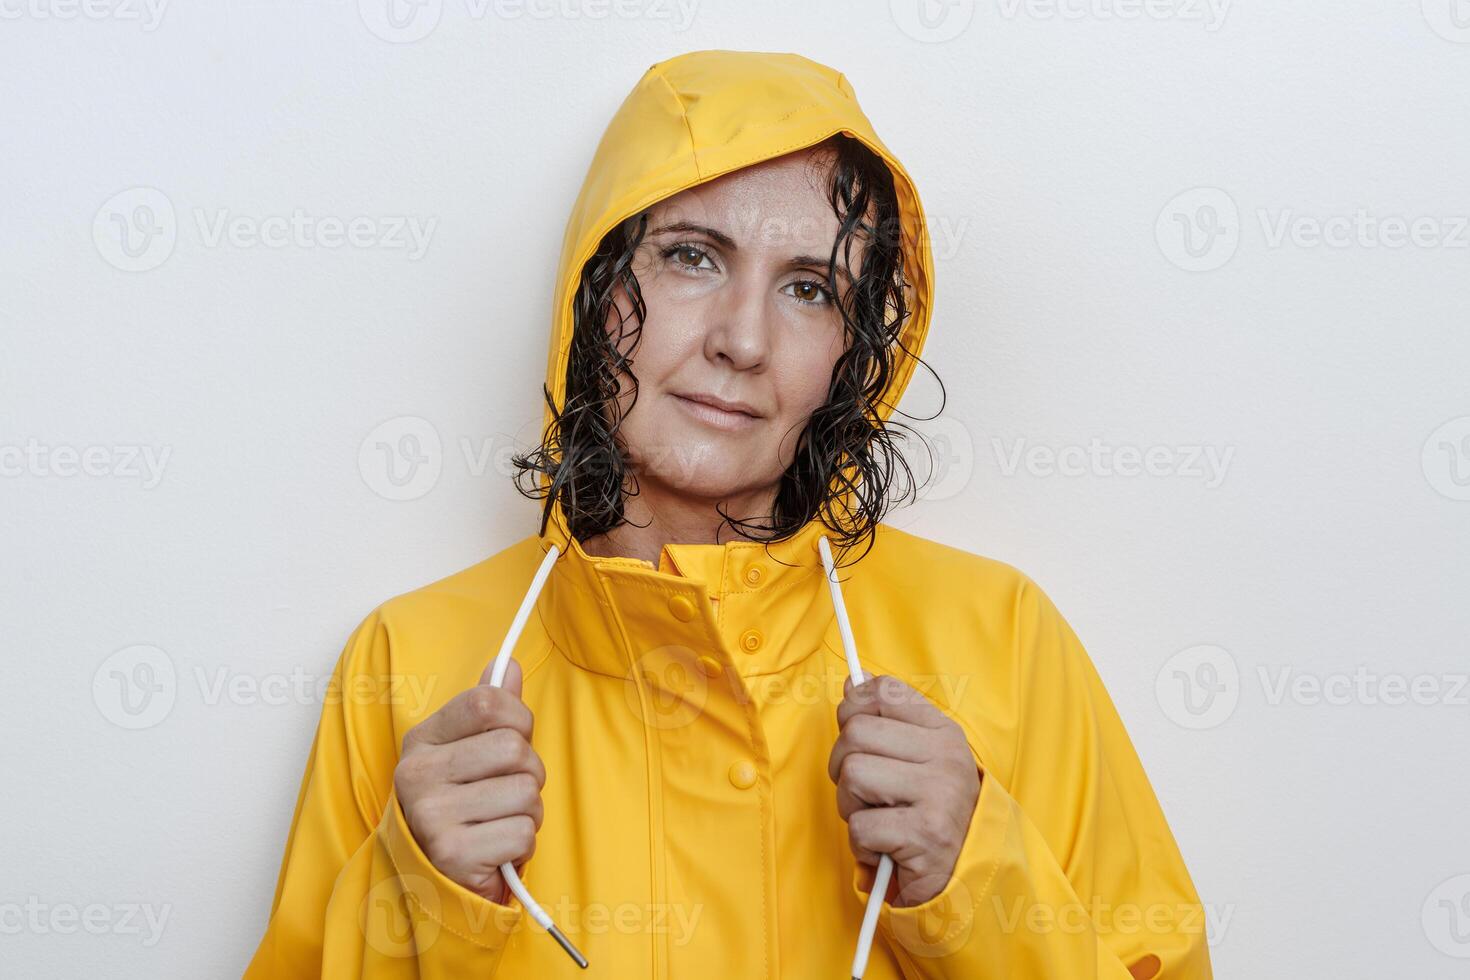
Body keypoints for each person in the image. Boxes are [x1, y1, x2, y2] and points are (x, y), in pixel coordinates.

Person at [244, 49, 1214, 979]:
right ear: (597, 288)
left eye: (808, 288)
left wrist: (980, 880)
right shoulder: (406, 665)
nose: (743, 340)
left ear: (855, 349)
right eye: (692, 257)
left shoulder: (1000, 642)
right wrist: (412, 897)